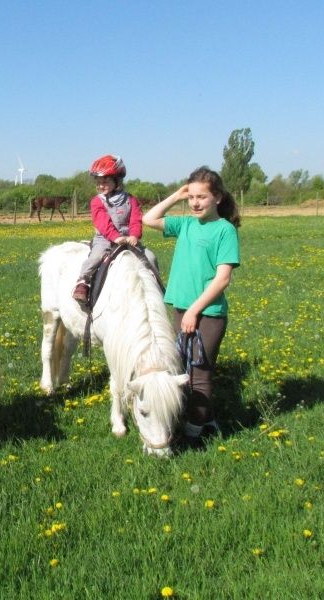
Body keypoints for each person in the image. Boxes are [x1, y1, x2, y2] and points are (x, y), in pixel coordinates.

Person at [142, 166, 241, 448]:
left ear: (218, 198)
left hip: (207, 314)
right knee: (182, 369)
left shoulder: (224, 230)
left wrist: (195, 311)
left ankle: (194, 434)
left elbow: (222, 279)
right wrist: (176, 195)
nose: (195, 203)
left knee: (200, 375)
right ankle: (204, 420)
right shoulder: (185, 224)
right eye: (192, 197)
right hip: (181, 309)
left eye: (202, 197)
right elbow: (149, 219)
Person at [72, 154, 145, 303]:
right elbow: (102, 221)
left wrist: (134, 235)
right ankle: (83, 281)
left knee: (149, 257)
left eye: (105, 181)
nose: (100, 185)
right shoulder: (97, 201)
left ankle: (153, 285)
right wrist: (115, 237)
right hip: (105, 239)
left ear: (117, 181)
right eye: (98, 182)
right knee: (96, 257)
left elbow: (135, 219)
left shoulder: (130, 200)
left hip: (128, 239)